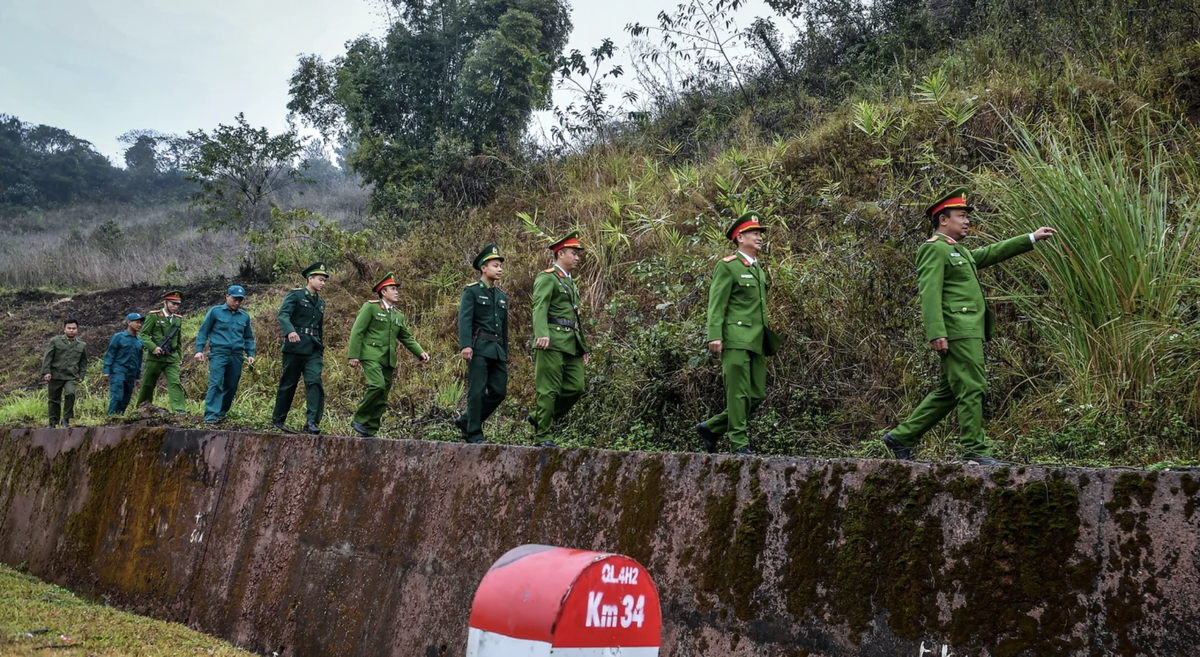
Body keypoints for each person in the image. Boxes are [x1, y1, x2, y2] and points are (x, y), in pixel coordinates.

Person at [883, 188, 1057, 465]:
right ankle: (975, 450)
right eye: (961, 216)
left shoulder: (957, 250)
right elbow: (929, 293)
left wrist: (1030, 238)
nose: (967, 221)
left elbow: (989, 253)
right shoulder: (934, 249)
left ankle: (902, 437)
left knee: (951, 391)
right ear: (943, 220)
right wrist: (936, 331)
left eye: (967, 216)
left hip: (968, 328)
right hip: (957, 329)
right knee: (973, 386)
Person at [696, 212, 779, 456]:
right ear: (740, 237)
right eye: (755, 233)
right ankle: (738, 443)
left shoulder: (758, 270)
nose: (759, 237)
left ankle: (712, 427)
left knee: (756, 394)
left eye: (760, 234)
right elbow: (716, 303)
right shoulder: (728, 266)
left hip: (757, 340)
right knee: (738, 392)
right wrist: (714, 335)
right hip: (735, 338)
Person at [347, 273, 429, 437]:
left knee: (383, 396)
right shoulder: (371, 307)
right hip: (370, 355)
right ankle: (359, 418)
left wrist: (420, 352)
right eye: (393, 289)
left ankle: (370, 430)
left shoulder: (398, 315)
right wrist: (353, 355)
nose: (396, 292)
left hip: (387, 359)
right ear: (383, 292)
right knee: (377, 385)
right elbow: (358, 331)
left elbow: (406, 337)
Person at [529, 230, 589, 447]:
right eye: (573, 253)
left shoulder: (570, 282)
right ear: (561, 253)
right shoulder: (547, 277)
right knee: (549, 390)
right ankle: (543, 435)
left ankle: (538, 418)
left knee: (576, 387)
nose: (577, 257)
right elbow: (540, 307)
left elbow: (576, 317)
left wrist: (583, 348)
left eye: (577, 254)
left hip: (571, 343)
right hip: (552, 340)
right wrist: (541, 333)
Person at [454, 245, 509, 444]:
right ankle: (473, 432)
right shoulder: (472, 292)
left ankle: (467, 420)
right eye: (495, 265)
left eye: (500, 266)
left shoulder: (502, 297)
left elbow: (504, 328)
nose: (500, 269)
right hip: (478, 347)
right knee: (477, 391)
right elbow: (465, 319)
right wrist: (465, 345)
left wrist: (505, 352)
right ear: (483, 268)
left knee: (499, 391)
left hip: (497, 350)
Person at [272, 262, 328, 434]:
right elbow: (283, 314)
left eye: (324, 280)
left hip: (313, 348)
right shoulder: (295, 295)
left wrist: (320, 346)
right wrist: (289, 332)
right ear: (310, 279)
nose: (322, 283)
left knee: (314, 382)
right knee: (288, 384)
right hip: (295, 347)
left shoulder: (320, 303)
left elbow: (318, 327)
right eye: (320, 279)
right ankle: (278, 419)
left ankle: (312, 421)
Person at [194, 285, 256, 424]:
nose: (237, 303)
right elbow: (204, 331)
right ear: (227, 296)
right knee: (216, 382)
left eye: (240, 300)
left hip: (237, 354)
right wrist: (199, 350)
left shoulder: (244, 316)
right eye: (234, 299)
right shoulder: (215, 312)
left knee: (232, 384)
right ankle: (211, 414)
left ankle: (222, 411)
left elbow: (248, 337)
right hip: (219, 352)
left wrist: (250, 353)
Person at [135, 290, 186, 413]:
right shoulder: (154, 316)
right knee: (148, 383)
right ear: (165, 302)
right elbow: (144, 335)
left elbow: (178, 341)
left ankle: (179, 409)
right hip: (155, 357)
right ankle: (142, 407)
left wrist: (179, 356)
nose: (175, 306)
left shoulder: (178, 319)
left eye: (177, 304)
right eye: (173, 303)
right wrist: (153, 347)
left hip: (171, 357)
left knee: (175, 382)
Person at [42, 318, 87, 427]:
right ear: (64, 329)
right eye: (69, 328)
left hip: (71, 376)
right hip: (55, 375)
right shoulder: (55, 341)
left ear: (77, 330)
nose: (71, 330)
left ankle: (66, 419)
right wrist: (46, 372)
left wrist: (81, 375)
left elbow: (83, 362)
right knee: (54, 399)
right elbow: (48, 357)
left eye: (74, 328)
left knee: (70, 393)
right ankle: (53, 422)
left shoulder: (81, 345)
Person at [103, 313, 145, 415]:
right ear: (129, 322)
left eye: (140, 323)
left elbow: (139, 360)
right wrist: (106, 371)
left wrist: (137, 377)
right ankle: (111, 417)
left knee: (126, 399)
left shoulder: (139, 342)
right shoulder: (118, 337)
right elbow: (110, 354)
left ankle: (119, 417)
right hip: (119, 370)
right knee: (117, 396)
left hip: (131, 373)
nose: (139, 325)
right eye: (136, 322)